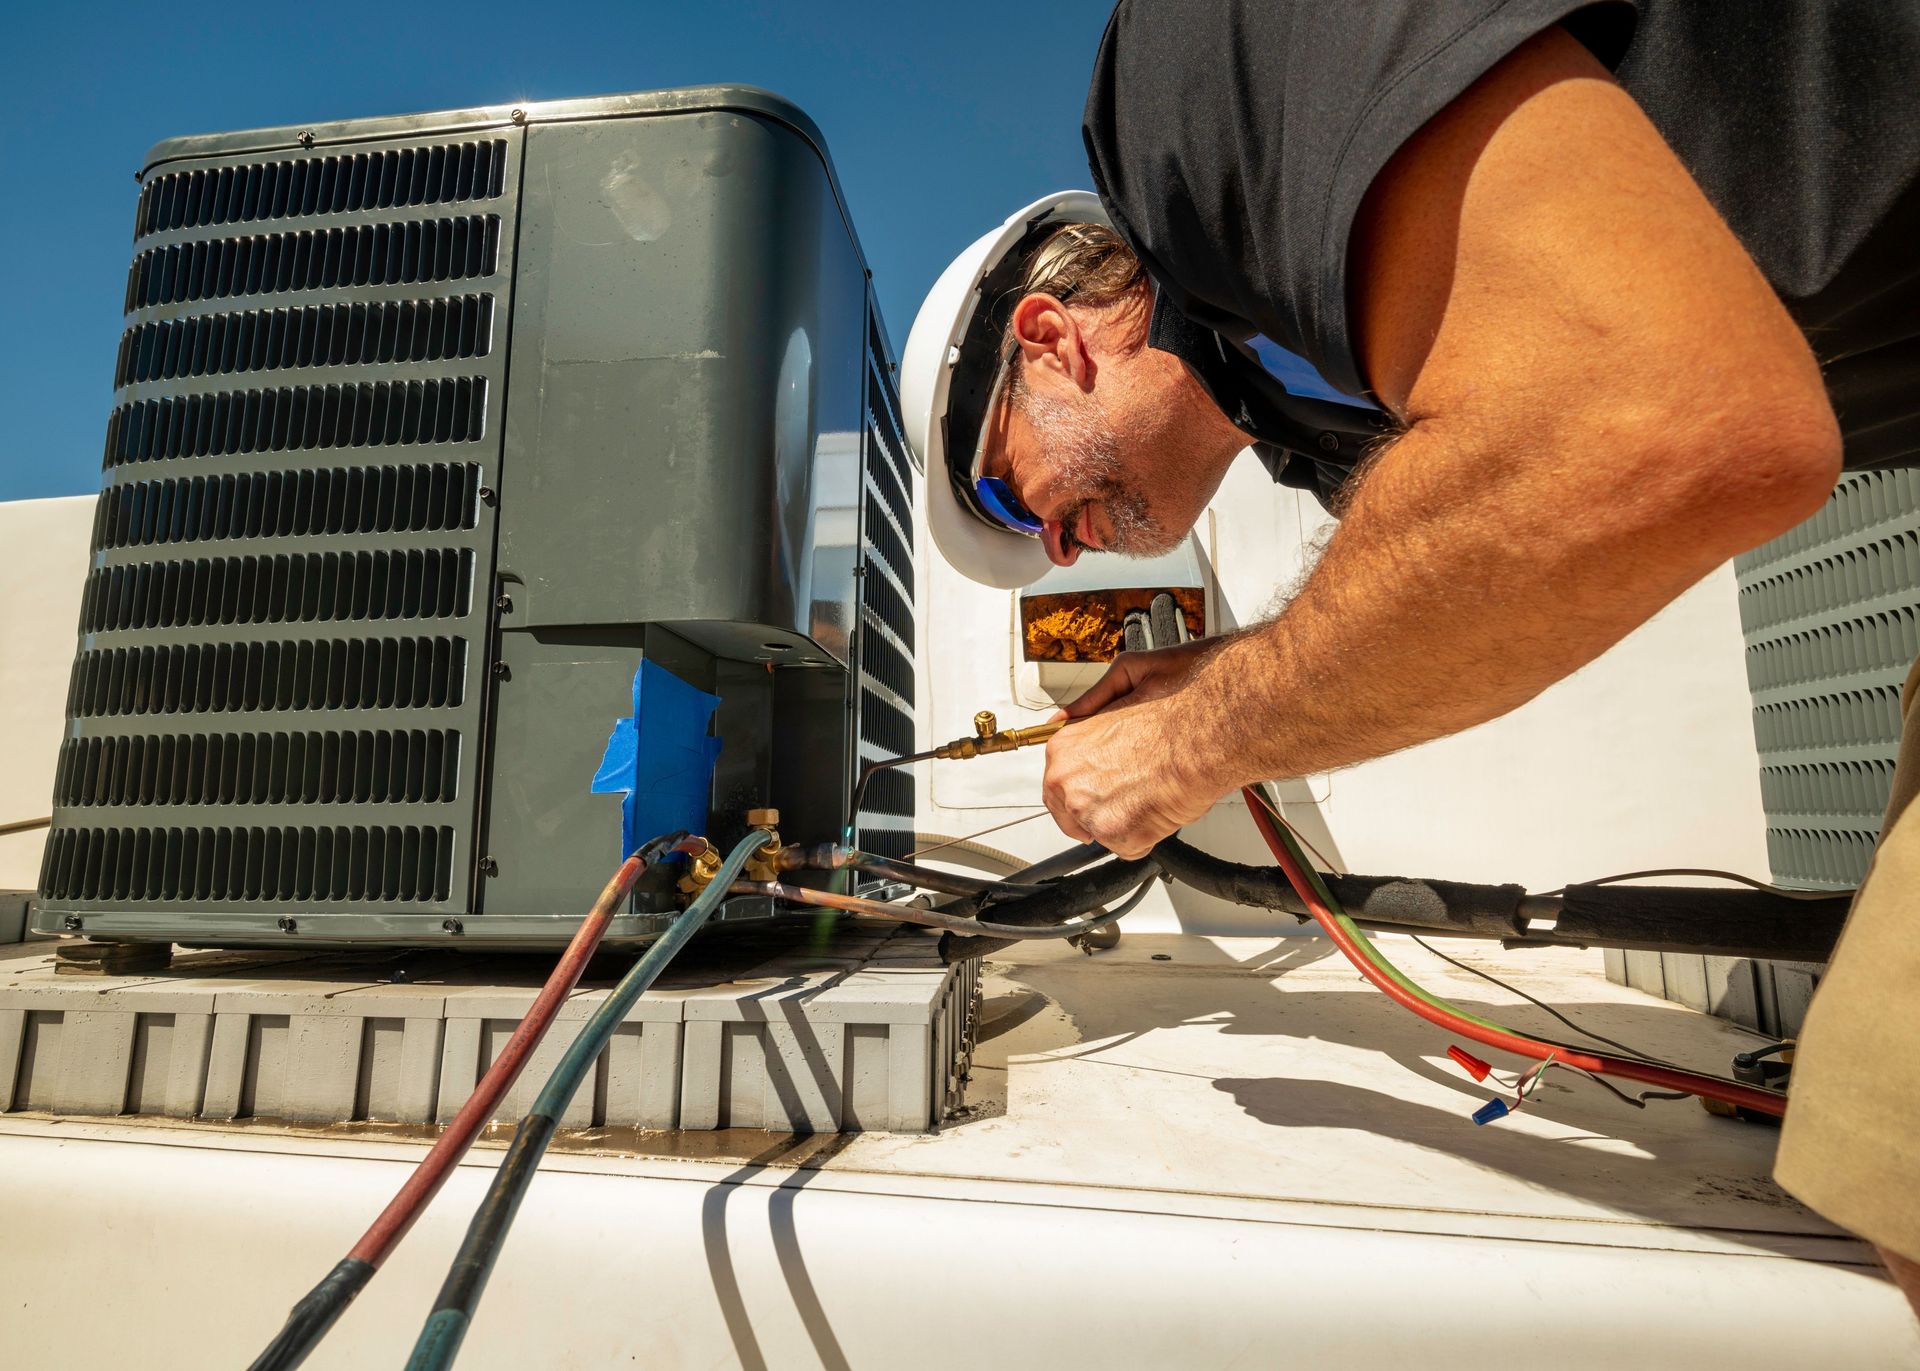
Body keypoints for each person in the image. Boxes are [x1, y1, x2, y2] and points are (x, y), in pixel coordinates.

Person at [897, 0, 1920, 1318]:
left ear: (1049, 339)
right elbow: (1510, 572)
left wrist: (1185, 747)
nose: (1048, 544)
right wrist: (1216, 695)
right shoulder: (1334, 421)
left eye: (1004, 489)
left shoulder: (1201, 76)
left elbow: (1673, 430)